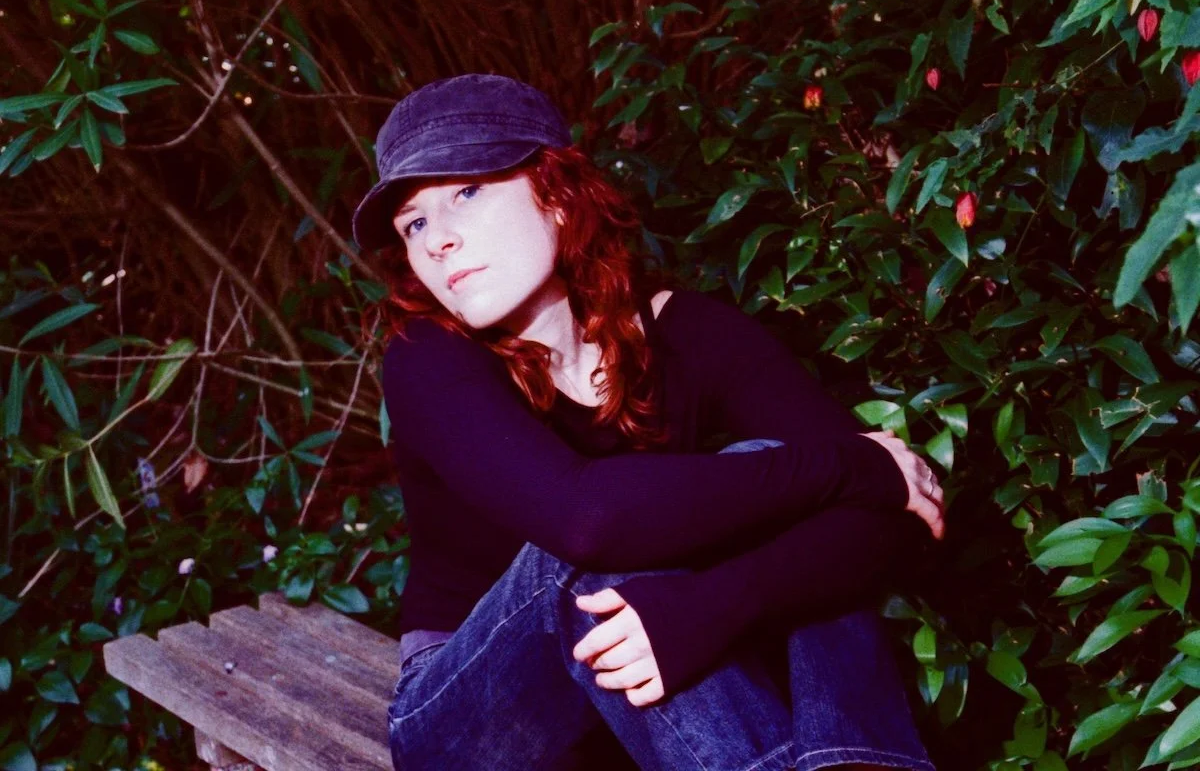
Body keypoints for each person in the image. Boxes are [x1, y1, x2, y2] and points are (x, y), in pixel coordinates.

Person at [352, 73, 944, 771]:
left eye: (466, 192)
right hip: (467, 719)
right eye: (414, 223)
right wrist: (856, 463)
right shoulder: (426, 355)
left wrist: (713, 605)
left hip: (648, 702)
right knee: (586, 562)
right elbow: (589, 521)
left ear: (559, 194)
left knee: (773, 476)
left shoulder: (695, 334)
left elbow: (898, 524)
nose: (438, 241)